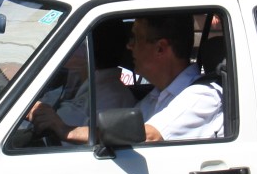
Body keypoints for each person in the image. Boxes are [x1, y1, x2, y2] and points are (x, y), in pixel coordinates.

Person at [59, 12, 221, 144]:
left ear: (160, 48)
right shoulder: (156, 95)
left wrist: (67, 131)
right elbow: (123, 126)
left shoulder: (202, 96)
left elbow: (148, 135)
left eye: (136, 38)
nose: (129, 46)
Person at [21, 21, 136, 142]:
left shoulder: (113, 98)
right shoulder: (76, 79)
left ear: (86, 51)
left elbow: (92, 143)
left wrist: (58, 126)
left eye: (71, 43)